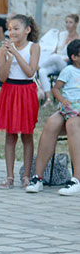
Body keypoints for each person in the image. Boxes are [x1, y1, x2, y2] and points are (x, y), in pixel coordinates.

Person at [0, 14, 41, 189]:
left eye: (16, 28)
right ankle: (9, 176)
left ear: (27, 30)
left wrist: (16, 54)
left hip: (26, 90)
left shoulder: (34, 47)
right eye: (9, 29)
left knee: (27, 134)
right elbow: (2, 77)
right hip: (9, 91)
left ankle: (26, 175)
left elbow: (30, 72)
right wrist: (8, 57)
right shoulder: (3, 49)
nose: (12, 32)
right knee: (10, 135)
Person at [26, 39, 80, 195]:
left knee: (72, 124)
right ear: (75, 57)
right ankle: (38, 177)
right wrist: (64, 101)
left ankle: (76, 179)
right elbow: (57, 89)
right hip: (70, 107)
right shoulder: (69, 70)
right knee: (51, 122)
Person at [38, 14, 80, 106]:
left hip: (66, 63)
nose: (68, 24)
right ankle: (49, 99)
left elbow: (74, 56)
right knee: (42, 71)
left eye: (70, 22)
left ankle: (36, 67)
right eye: (66, 22)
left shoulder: (78, 39)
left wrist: (60, 58)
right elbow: (55, 49)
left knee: (55, 58)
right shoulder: (62, 34)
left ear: (76, 24)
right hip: (54, 61)